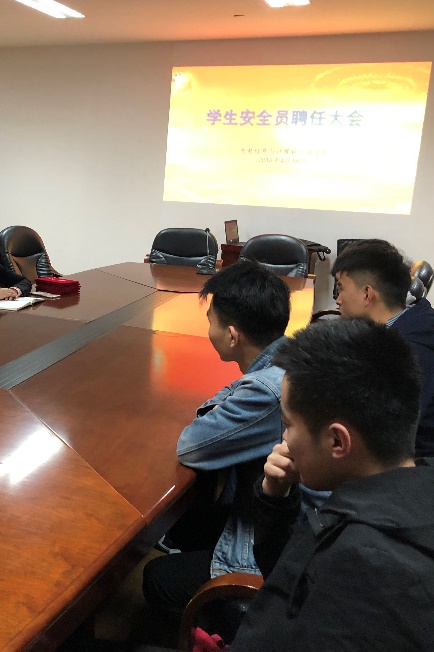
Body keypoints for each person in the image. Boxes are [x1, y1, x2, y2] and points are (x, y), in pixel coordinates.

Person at [233, 319, 434, 650]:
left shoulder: (363, 571)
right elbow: (294, 586)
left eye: (288, 424)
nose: (284, 438)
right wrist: (276, 497)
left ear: (337, 441)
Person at [142, 260, 293, 621]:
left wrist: (219, 408)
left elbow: (192, 446)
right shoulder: (286, 357)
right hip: (278, 518)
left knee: (155, 577)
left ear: (232, 335)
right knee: (188, 523)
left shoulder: (265, 390)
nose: (208, 330)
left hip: (269, 551)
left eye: (211, 321)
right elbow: (231, 392)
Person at [332, 238, 434, 457]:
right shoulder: (402, 332)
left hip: (415, 467)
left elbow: (377, 433)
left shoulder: (409, 354)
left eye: (341, 288)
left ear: (367, 294)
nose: (338, 300)